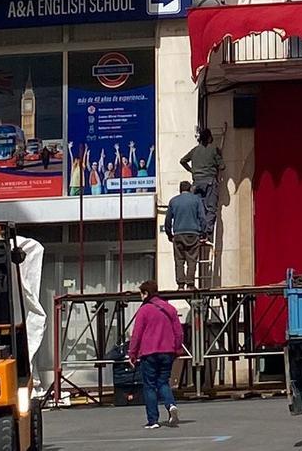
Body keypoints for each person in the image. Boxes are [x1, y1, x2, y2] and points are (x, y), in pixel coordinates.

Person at [128, 280, 184, 430]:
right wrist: (177, 349)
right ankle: (171, 405)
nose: (140, 297)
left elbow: (137, 334)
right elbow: (179, 332)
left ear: (146, 293)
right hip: (168, 351)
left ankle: (153, 420)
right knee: (163, 381)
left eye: (141, 293)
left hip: (149, 352)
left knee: (150, 386)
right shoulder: (170, 308)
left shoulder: (144, 310)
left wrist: (132, 354)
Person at [180, 129, 226, 240]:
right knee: (211, 208)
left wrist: (192, 170)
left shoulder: (195, 150)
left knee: (199, 208)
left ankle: (199, 230)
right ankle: (207, 231)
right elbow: (222, 166)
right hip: (210, 182)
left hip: (196, 183)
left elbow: (182, 161)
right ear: (209, 138)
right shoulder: (213, 150)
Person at [165, 181, 206, 290]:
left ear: (180, 189)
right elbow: (202, 217)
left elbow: (168, 220)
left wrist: (170, 234)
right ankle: (190, 284)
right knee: (192, 260)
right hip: (193, 233)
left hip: (178, 234)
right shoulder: (196, 200)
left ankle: (180, 285)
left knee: (179, 260)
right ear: (190, 189)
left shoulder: (173, 201)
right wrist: (204, 233)